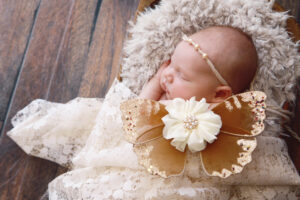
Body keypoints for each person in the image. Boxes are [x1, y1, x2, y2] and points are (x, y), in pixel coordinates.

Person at [140, 26, 258, 108]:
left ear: (219, 94)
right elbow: (136, 112)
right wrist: (155, 82)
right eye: (171, 63)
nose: (167, 75)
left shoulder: (213, 118)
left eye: (182, 75)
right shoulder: (164, 97)